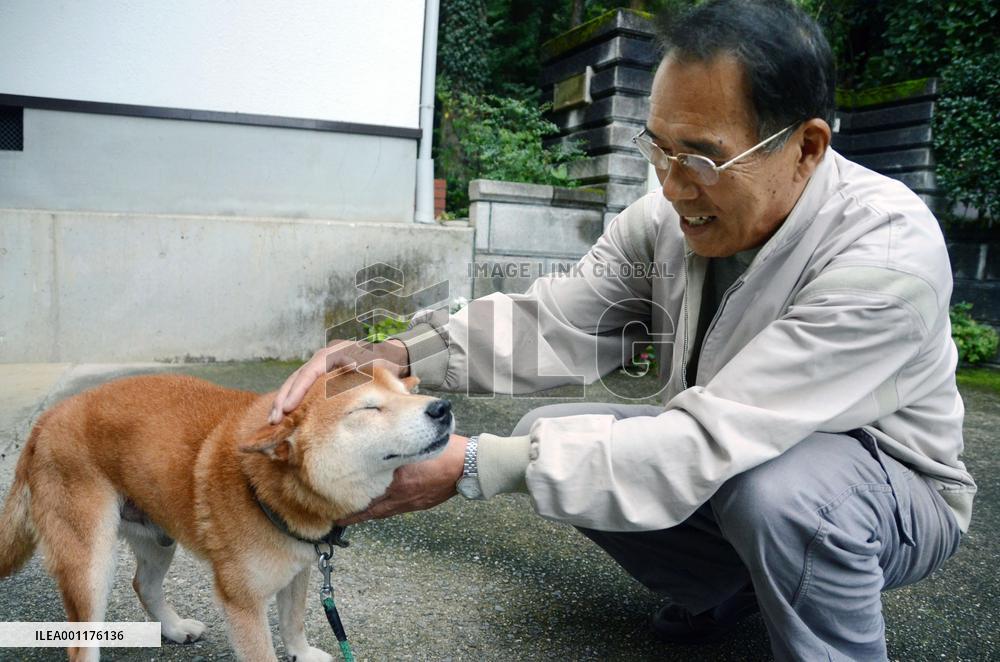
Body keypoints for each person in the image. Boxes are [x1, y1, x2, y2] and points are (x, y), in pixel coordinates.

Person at [268, 0, 976, 658]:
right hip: (740, 450)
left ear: (807, 147)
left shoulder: (885, 257)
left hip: (892, 493)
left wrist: (474, 464)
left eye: (701, 157)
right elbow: (556, 322)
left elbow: (710, 437)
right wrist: (396, 353)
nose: (671, 185)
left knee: (781, 495)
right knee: (550, 433)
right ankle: (727, 590)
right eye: (658, 148)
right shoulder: (667, 218)